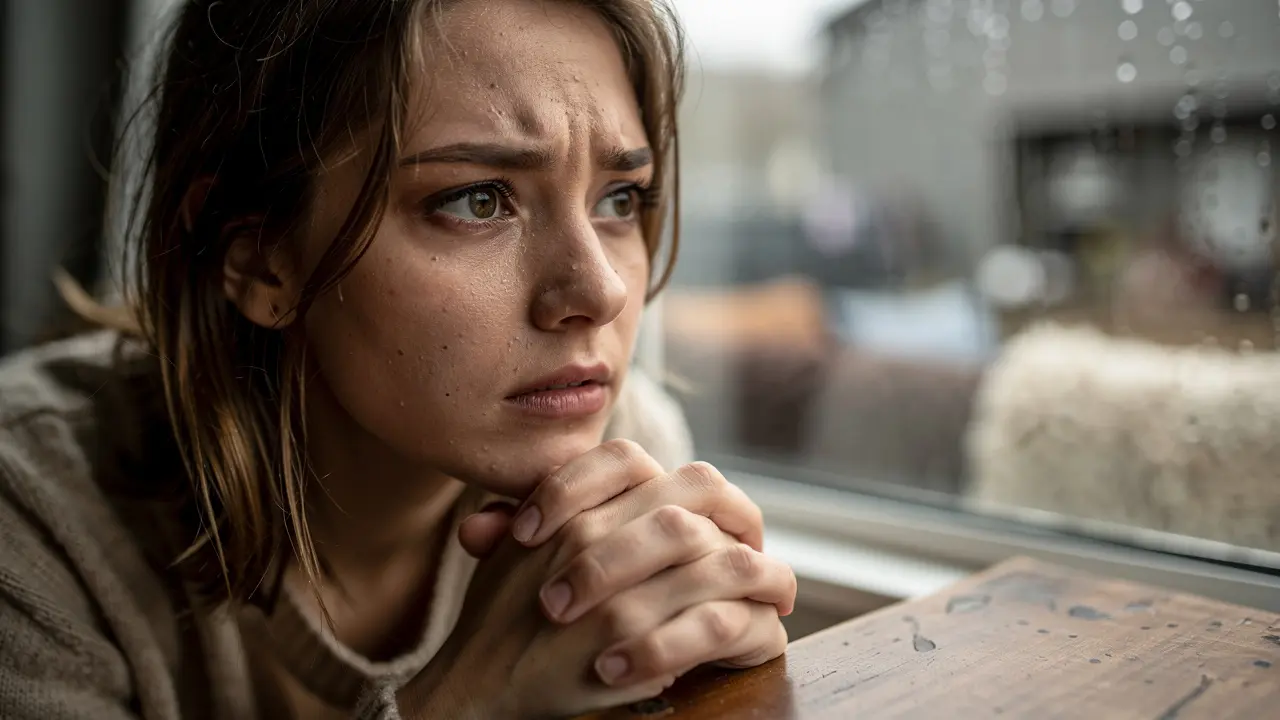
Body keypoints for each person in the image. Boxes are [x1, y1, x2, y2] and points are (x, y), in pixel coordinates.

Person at [0, 1, 797, 718]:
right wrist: (461, 703)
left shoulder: (625, 445)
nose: (599, 291)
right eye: (478, 198)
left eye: (620, 199)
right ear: (259, 258)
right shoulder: (31, 527)